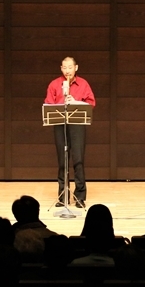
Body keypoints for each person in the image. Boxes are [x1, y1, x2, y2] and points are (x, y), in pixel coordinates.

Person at [44, 56, 96, 208]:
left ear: (76, 68)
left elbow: (91, 103)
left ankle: (80, 196)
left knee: (78, 160)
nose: (67, 71)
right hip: (60, 124)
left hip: (77, 123)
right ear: (61, 68)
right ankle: (63, 196)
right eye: (65, 68)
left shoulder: (83, 84)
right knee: (62, 160)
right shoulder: (54, 84)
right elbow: (48, 104)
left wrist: (75, 102)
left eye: (70, 67)